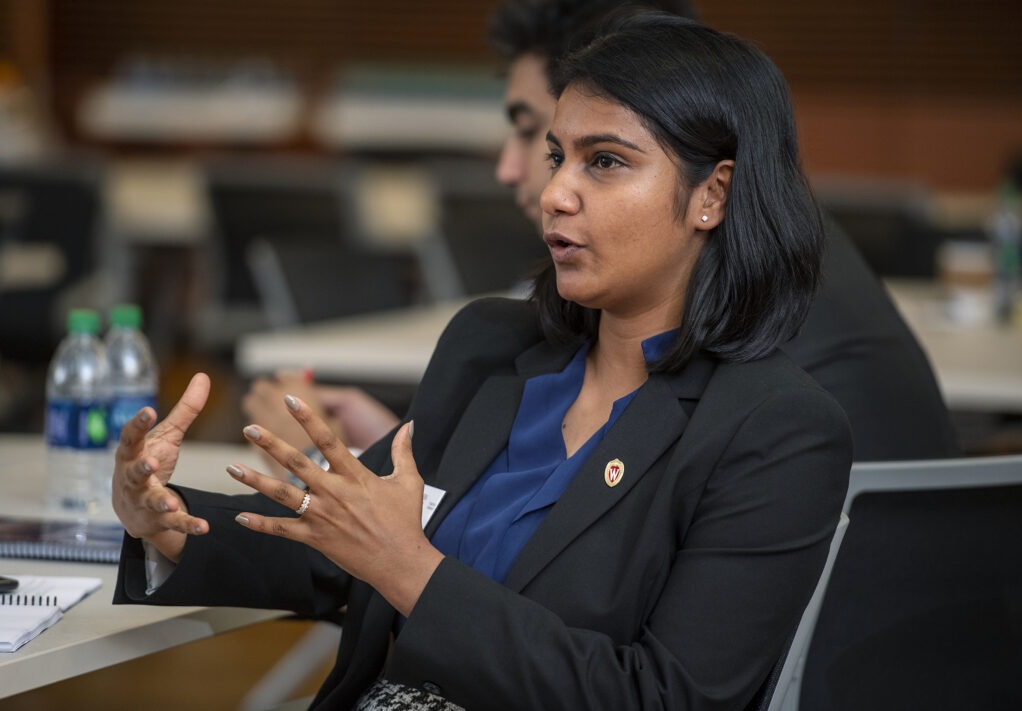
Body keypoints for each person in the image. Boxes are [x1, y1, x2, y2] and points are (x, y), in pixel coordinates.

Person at [112, 12, 852, 709]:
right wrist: (163, 519)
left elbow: (660, 697)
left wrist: (412, 571)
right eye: (559, 156)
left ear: (712, 196)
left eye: (605, 162)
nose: (556, 192)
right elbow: (339, 546)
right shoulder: (491, 348)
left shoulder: (775, 428)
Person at [244, 0, 959, 463]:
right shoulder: (781, 242)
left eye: (597, 155)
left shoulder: (753, 335)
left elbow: (587, 553)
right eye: (552, 148)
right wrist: (414, 446)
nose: (520, 173)